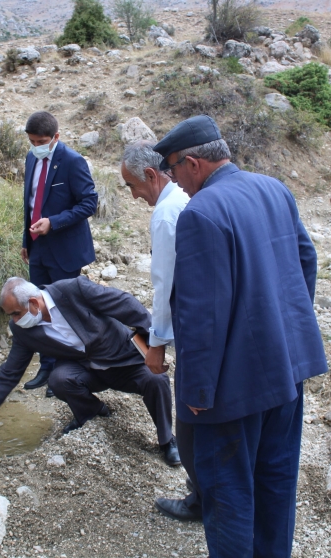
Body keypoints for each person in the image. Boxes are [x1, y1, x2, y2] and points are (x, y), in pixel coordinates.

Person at [153, 115, 328, 557]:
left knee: (228, 493)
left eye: (173, 170)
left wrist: (197, 390)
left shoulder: (202, 212)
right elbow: (306, 261)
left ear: (192, 163)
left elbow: (201, 315)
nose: (174, 181)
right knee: (276, 482)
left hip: (232, 388)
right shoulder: (274, 188)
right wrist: (282, 328)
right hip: (287, 370)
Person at [0, 276, 181, 467]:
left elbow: (125, 304)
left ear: (34, 303)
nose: (13, 321)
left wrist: (155, 346)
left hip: (122, 359)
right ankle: (94, 412)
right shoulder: (23, 330)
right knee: (59, 380)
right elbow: (9, 373)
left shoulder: (73, 290)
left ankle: (166, 440)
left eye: (14, 313)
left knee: (157, 379)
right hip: (87, 369)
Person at [121, 142, 199, 522]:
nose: (134, 196)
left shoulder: (167, 213)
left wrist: (156, 345)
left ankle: (199, 496)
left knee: (191, 417)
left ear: (151, 176)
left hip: (188, 329)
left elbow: (164, 284)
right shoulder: (184, 199)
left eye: (133, 186)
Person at [20, 111, 98, 397]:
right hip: (38, 247)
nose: (36, 145)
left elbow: (89, 202)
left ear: (56, 137)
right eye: (32, 141)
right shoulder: (31, 158)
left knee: (64, 311)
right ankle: (46, 365)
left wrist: (54, 222)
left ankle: (65, 373)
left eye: (41, 141)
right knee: (39, 308)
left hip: (65, 250)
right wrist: (25, 240)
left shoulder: (73, 161)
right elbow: (29, 204)